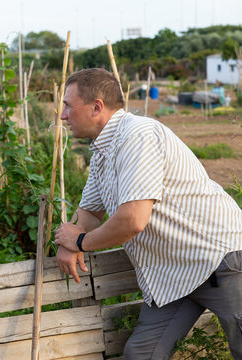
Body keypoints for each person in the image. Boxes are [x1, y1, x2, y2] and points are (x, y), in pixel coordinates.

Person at [54, 68, 242, 359]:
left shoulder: (137, 136)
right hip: (172, 275)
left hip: (219, 260)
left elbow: (133, 219)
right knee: (142, 354)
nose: (62, 115)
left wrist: (80, 243)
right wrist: (68, 241)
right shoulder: (103, 152)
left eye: (68, 105)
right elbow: (89, 211)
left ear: (96, 107)